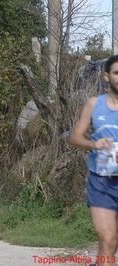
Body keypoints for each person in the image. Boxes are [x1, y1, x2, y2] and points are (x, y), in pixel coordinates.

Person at [69, 55, 118, 266]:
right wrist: (93, 144)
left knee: (111, 241)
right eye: (117, 73)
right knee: (107, 238)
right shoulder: (94, 104)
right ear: (106, 77)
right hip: (101, 182)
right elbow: (75, 137)